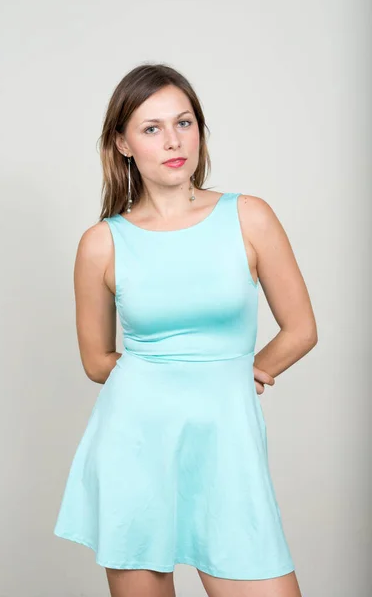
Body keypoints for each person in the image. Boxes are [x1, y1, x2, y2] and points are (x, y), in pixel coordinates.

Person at [54, 63, 317, 597]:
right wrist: (165, 379)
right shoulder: (101, 243)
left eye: (184, 122)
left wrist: (242, 373)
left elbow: (302, 329)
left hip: (228, 442)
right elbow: (97, 360)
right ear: (123, 144)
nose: (173, 141)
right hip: (136, 442)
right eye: (151, 128)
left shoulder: (249, 216)